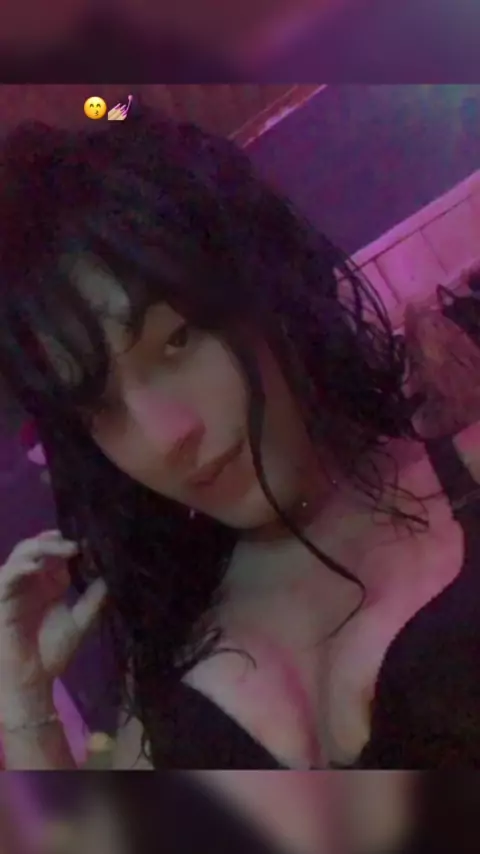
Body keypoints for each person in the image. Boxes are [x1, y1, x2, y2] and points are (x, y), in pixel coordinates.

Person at [1, 110, 480, 772]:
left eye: (178, 339)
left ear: (263, 284)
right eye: (100, 408)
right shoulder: (168, 666)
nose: (165, 437)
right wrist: (27, 711)